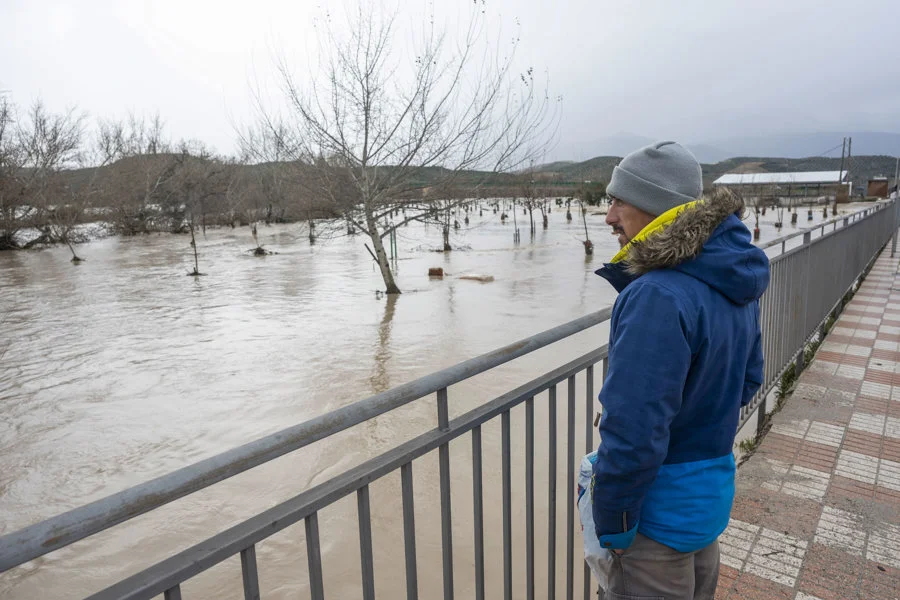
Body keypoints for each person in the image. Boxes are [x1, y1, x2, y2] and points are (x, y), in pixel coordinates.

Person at [591, 141, 769, 599]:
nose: (609, 216)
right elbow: (749, 378)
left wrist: (611, 520)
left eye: (618, 202)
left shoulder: (657, 295)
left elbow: (633, 431)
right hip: (707, 499)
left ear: (654, 208)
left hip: (656, 516)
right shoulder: (728, 277)